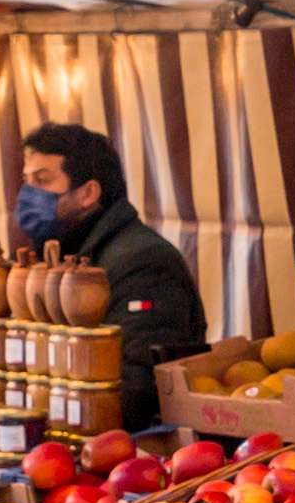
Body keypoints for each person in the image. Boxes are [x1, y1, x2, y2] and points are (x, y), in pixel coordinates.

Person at [19, 120, 206, 428]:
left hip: (128, 452)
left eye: (42, 181)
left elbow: (135, 391)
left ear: (88, 193)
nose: (27, 194)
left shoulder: (144, 263)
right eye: (26, 181)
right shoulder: (56, 259)